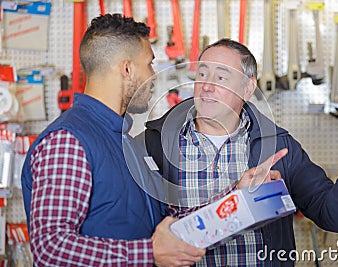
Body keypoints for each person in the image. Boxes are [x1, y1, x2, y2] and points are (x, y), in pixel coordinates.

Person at [144, 38, 338, 266]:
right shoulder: (155, 145)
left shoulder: (279, 147)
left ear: (248, 89)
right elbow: (143, 234)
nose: (207, 86)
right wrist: (236, 199)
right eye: (202, 74)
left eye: (221, 78)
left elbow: (334, 216)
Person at [21, 14, 205, 267]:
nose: (154, 77)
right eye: (150, 64)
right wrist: (148, 254)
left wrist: (237, 194)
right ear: (127, 69)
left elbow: (168, 216)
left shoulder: (126, 141)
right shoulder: (68, 142)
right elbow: (51, 248)